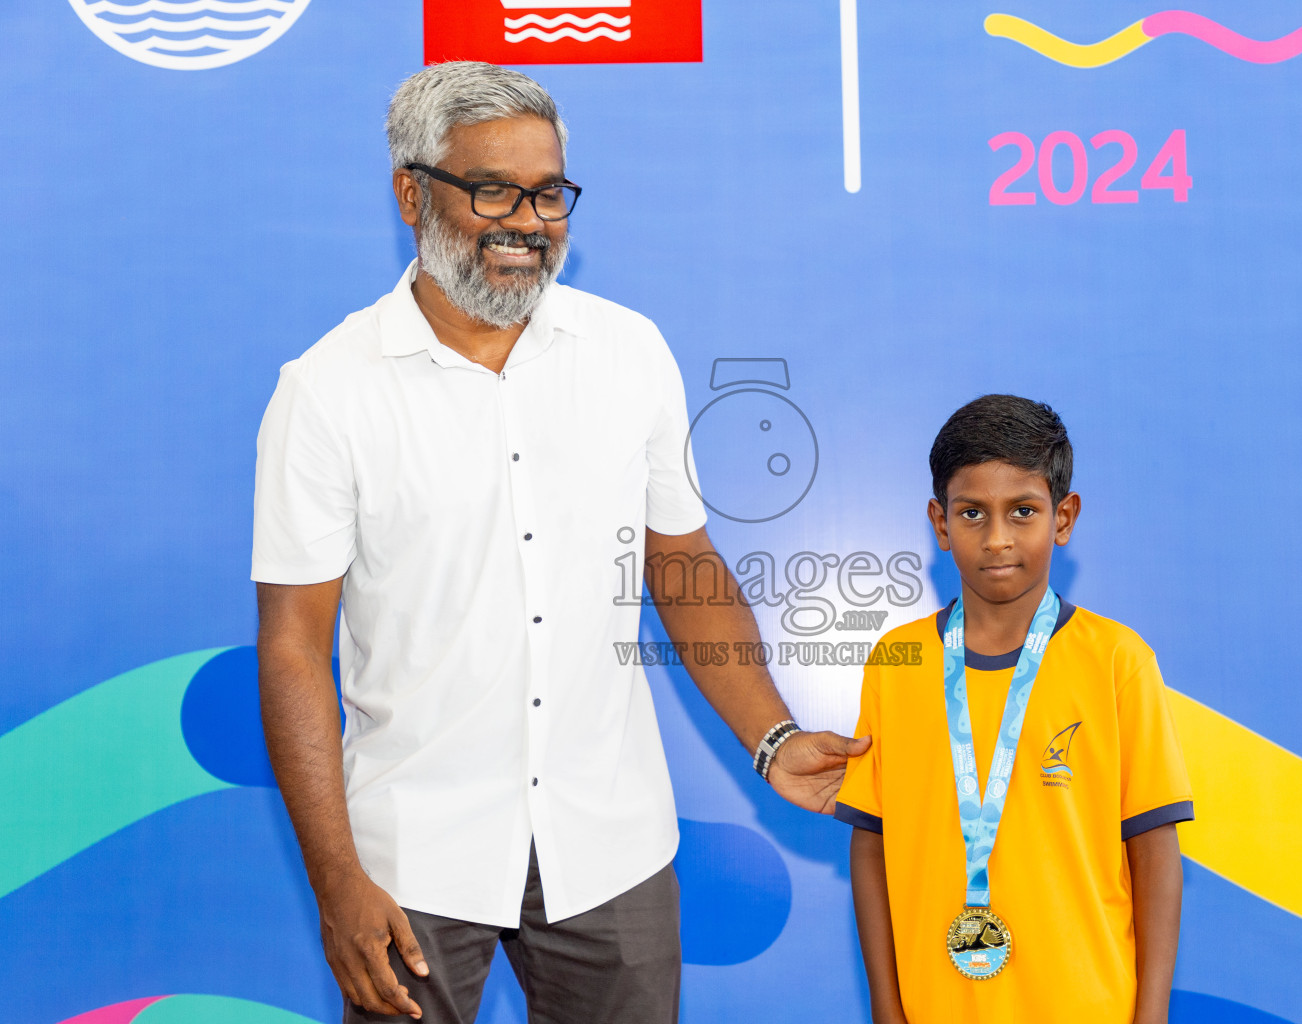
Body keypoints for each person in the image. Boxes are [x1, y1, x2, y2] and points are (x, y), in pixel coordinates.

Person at [252, 61, 866, 1024]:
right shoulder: (327, 391)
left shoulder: (630, 353)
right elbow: (293, 645)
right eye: (492, 189)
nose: (527, 222)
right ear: (412, 193)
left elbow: (683, 563)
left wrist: (772, 735)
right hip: (413, 857)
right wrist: (337, 882)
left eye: (547, 193)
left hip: (608, 845)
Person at [835, 395, 1192, 1023]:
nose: (997, 538)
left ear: (1063, 517)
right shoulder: (896, 662)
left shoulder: (1117, 661)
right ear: (940, 524)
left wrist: (1151, 1015)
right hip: (935, 1007)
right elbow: (872, 843)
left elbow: (1154, 849)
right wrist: (889, 1011)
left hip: (1088, 1006)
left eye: (1022, 511)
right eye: (972, 513)